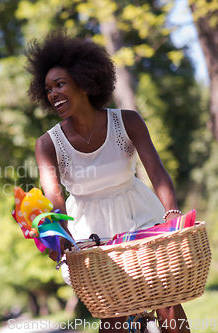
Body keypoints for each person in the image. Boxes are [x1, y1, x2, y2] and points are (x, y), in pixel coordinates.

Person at [25, 30, 189, 333]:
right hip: (91, 230)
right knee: (113, 317)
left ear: (84, 83)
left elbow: (157, 173)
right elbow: (54, 198)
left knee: (167, 300)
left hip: (139, 215)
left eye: (59, 84)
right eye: (48, 89)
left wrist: (173, 213)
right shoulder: (48, 144)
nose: (52, 94)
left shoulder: (127, 121)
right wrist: (59, 239)